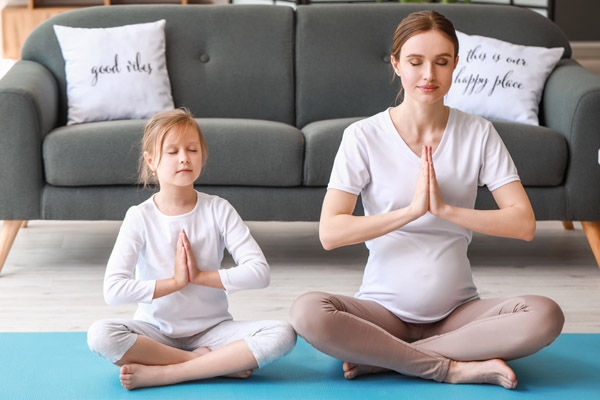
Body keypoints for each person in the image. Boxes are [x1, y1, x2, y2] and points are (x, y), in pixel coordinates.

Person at [290, 10, 564, 390]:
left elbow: (523, 223)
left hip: (459, 313)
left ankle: (387, 357)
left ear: (455, 65)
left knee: (545, 315)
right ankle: (447, 367)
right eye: (416, 62)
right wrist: (411, 212)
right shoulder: (362, 136)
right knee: (308, 312)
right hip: (380, 312)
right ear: (396, 64)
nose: (429, 76)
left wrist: (446, 211)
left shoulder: (479, 133)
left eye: (442, 62)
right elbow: (331, 232)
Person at [87, 108, 296, 390]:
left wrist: (199, 276)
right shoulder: (140, 216)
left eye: (192, 149)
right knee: (101, 335)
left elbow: (260, 273)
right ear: (151, 160)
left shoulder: (218, 209)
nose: (184, 157)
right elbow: (113, 290)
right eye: (172, 151)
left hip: (213, 332)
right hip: (156, 333)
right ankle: (214, 365)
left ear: (202, 156)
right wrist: (174, 283)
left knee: (282, 333)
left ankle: (169, 373)